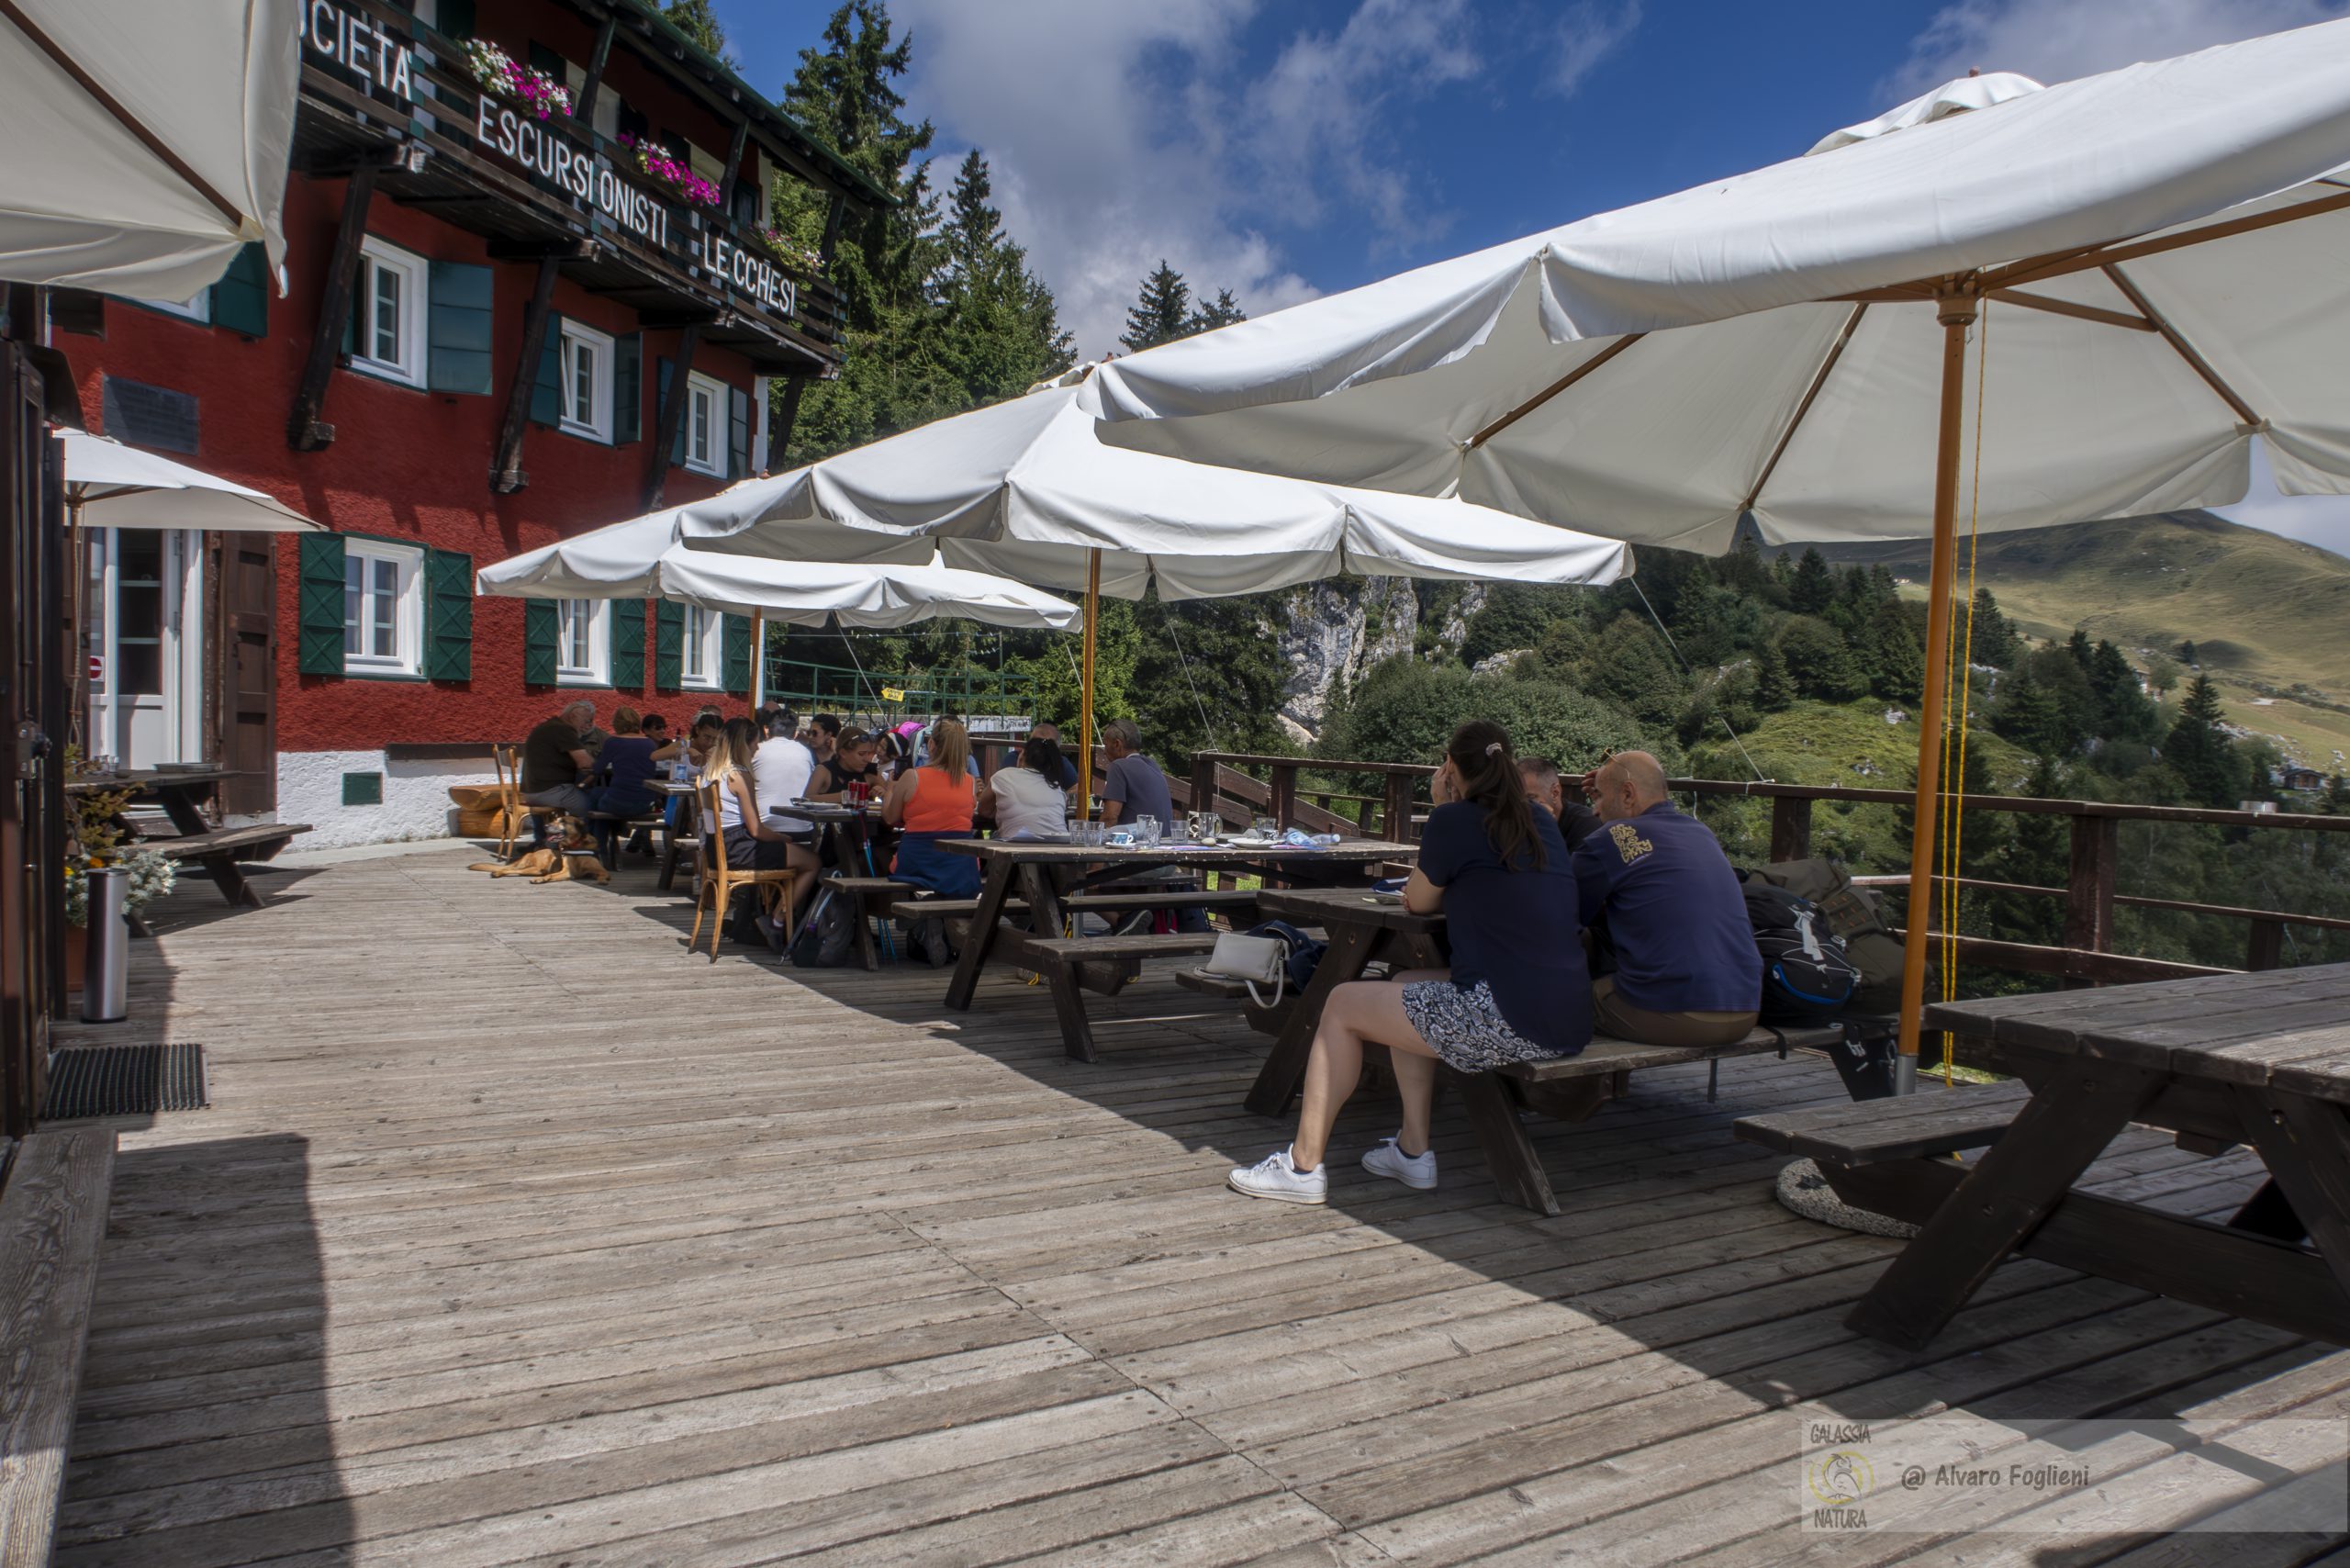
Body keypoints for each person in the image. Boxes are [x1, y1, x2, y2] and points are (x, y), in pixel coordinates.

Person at [1229, 721, 1590, 1204]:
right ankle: (1413, 1151)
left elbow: (1417, 902)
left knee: (1340, 1003)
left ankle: (1301, 1166)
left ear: (1451, 768)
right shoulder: (1540, 820)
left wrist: (1445, 808)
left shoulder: (1455, 819)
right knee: (1408, 981)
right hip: (1568, 1013)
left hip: (1507, 1015)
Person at [1572, 750, 1761, 1047]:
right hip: (1746, 1009)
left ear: (1628, 795)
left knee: (1560, 999)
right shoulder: (1701, 832)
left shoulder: (1614, 836)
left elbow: (1560, 916)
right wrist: (1611, 784)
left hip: (1681, 1016)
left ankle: (1574, 1092)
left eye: (1598, 798)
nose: (1595, 810)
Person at [882, 717, 980, 898]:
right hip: (961, 868)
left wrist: (889, 789)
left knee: (878, 856)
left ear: (932, 744)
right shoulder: (970, 782)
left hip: (917, 863)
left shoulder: (913, 776)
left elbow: (890, 818)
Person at [749, 708, 821, 923]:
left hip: (765, 833)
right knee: (814, 859)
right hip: (803, 833)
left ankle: (768, 913)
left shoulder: (757, 750)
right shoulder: (806, 752)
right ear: (796, 733)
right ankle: (784, 917)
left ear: (766, 730)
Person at [583, 707, 664, 857]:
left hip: (619, 802)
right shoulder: (649, 744)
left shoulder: (613, 742)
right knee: (603, 800)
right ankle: (601, 846)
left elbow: (598, 769)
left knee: (596, 797)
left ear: (617, 723)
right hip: (645, 804)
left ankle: (595, 847)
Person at [979, 734, 1070, 839]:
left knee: (993, 838)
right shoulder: (1056, 786)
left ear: (1022, 757)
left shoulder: (1003, 775)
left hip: (1016, 846)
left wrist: (1005, 807)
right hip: (1061, 845)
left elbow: (984, 811)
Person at [520, 700, 597, 817]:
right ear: (573, 716)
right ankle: (588, 835)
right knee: (594, 805)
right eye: (587, 720)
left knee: (583, 793)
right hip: (549, 791)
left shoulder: (549, 726)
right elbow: (585, 763)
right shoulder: (564, 730)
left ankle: (541, 834)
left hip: (531, 790)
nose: (589, 725)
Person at [1098, 718, 1172, 829]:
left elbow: (1110, 818)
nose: (1104, 750)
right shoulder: (1153, 765)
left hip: (1138, 843)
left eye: (1105, 744)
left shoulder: (1118, 766)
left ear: (1117, 744)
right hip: (1164, 841)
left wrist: (1093, 836)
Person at [1519, 756, 1601, 847]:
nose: (1520, 806)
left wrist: (1546, 829)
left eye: (1530, 798)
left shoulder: (1587, 825)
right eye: (1516, 799)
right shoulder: (1515, 823)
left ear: (1555, 793)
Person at [811, 728, 883, 800]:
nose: (867, 759)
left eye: (869, 754)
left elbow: (891, 799)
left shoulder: (871, 773)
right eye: (861, 754)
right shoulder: (824, 771)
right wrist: (847, 796)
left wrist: (884, 793)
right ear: (843, 753)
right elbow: (807, 798)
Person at [1030, 722, 1080, 790]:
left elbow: (1075, 790)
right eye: (1034, 741)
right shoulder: (1016, 758)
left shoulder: (1062, 764)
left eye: (1045, 744)